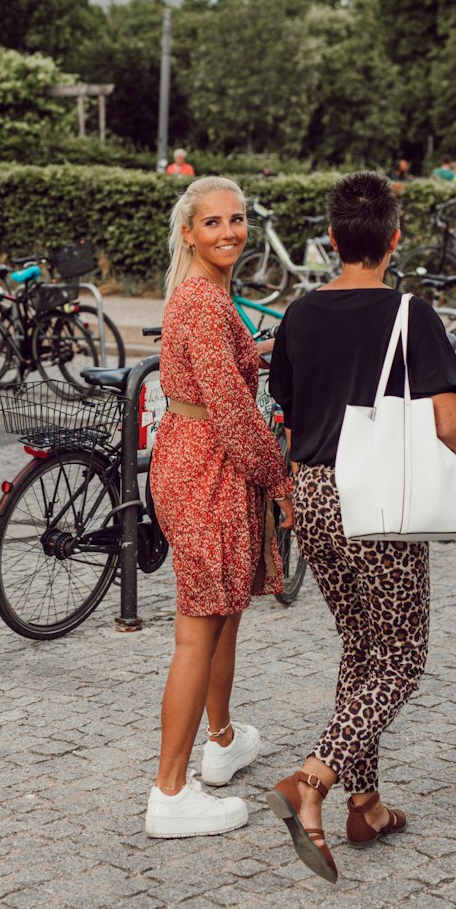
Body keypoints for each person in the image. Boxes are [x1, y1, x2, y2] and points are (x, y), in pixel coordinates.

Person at [264, 171, 456, 882]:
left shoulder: (298, 314)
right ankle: (314, 779)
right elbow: (450, 425)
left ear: (331, 240)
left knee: (361, 648)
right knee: (401, 658)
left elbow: (289, 414)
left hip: (316, 497)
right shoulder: (410, 315)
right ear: (395, 240)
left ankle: (367, 805)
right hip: (379, 508)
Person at [143, 176, 292, 840]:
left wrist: (255, 352)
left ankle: (223, 740)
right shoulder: (202, 301)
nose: (229, 231)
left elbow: (219, 378)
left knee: (225, 611)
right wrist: (279, 477)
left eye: (237, 220)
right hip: (204, 466)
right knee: (198, 627)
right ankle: (169, 793)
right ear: (189, 233)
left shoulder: (206, 296)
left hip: (199, 458)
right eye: (213, 223)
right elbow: (230, 412)